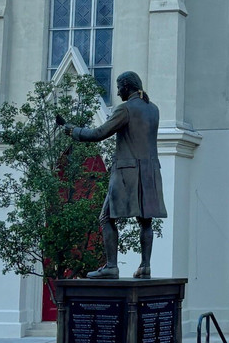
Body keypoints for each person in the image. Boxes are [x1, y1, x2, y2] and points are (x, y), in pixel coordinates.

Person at [64, 71, 166, 279]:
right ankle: (145, 266)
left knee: (106, 217)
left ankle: (111, 266)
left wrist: (72, 130)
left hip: (127, 172)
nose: (117, 91)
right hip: (150, 172)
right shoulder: (153, 110)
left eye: (119, 87)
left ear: (127, 87)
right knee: (145, 220)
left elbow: (98, 134)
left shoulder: (125, 109)